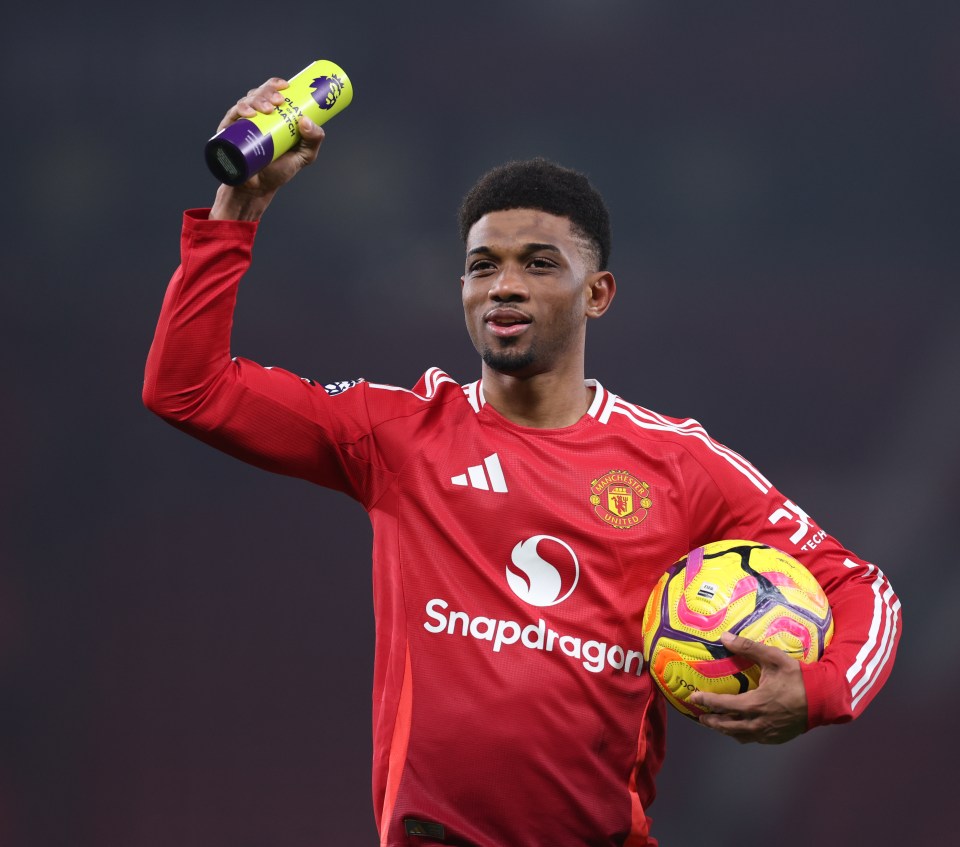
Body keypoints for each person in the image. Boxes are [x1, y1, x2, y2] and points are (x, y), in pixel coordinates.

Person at [143, 76, 901, 847]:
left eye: (539, 263)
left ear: (597, 292)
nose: (504, 284)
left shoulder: (679, 463)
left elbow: (862, 585)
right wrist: (237, 210)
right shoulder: (400, 433)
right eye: (483, 266)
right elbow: (187, 388)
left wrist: (821, 687)